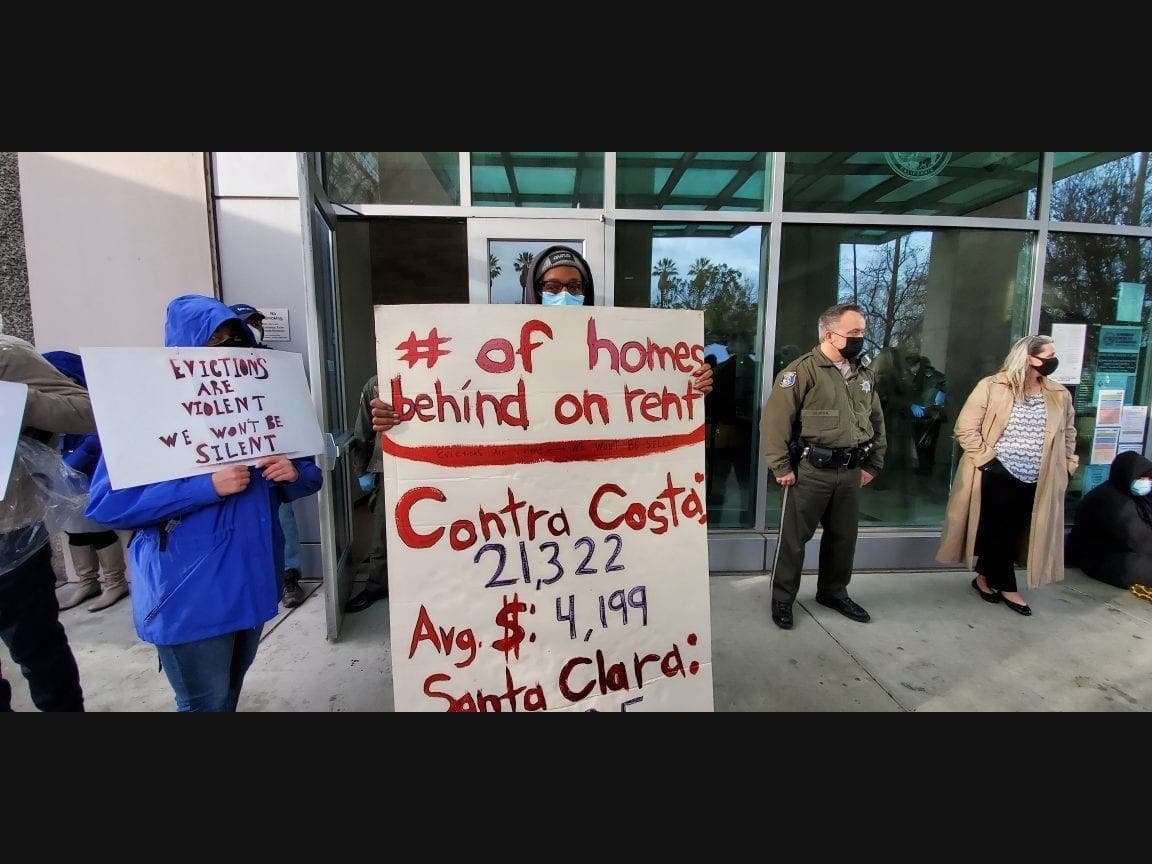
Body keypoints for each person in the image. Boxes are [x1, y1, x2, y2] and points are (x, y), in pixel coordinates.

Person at [86, 295, 323, 711]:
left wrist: (295, 473)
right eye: (215, 339)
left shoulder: (259, 406)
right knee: (204, 703)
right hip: (188, 593)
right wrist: (205, 487)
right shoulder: (142, 414)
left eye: (234, 337)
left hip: (252, 583)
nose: (227, 347)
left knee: (228, 694)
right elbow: (108, 503)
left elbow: (308, 478)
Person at [371, 244, 715, 431]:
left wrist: (688, 384)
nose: (564, 294)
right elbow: (447, 393)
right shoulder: (493, 348)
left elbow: (648, 396)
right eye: (551, 287)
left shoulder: (617, 354)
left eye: (575, 287)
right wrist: (397, 409)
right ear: (534, 291)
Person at [761, 302, 886, 630]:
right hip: (809, 472)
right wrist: (780, 467)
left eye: (862, 331)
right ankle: (783, 598)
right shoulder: (801, 372)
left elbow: (876, 420)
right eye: (854, 332)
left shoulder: (863, 373)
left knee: (844, 537)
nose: (861, 338)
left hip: (850, 472)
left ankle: (833, 591)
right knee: (794, 540)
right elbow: (775, 423)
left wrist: (874, 463)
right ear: (830, 335)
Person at [936, 335, 1077, 617]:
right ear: (1028, 357)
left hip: (1040, 476)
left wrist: (1067, 465)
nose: (1052, 360)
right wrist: (989, 462)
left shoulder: (1058, 394)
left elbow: (1068, 434)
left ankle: (984, 577)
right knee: (1000, 530)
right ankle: (1008, 585)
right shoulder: (992, 387)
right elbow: (966, 428)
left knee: (1014, 531)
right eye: (1047, 355)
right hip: (999, 472)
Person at [1, 331, 93, 711]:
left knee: (37, 650)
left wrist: (16, 399)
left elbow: (85, 411)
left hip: (10, 537)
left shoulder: (8, 354)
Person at [41, 350, 129, 613]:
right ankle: (87, 581)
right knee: (74, 532)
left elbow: (97, 439)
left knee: (98, 529)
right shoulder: (50, 401)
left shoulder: (93, 400)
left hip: (88, 476)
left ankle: (114, 582)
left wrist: (71, 463)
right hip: (62, 479)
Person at [230, 302, 305, 609]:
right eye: (246, 323)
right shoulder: (198, 369)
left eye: (256, 322)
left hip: (269, 458)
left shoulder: (272, 363)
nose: (253, 328)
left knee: (281, 518)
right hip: (224, 460)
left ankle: (289, 578)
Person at [1066, 450, 1152, 590]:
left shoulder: (1131, 494)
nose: (1146, 483)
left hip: (1123, 551)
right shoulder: (1110, 500)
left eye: (1148, 478)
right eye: (1141, 478)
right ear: (1128, 476)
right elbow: (1139, 539)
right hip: (1098, 557)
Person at [343, 374, 390, 613]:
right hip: (389, 468)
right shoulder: (376, 383)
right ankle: (377, 585)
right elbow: (363, 432)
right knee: (383, 532)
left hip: (434, 467)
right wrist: (362, 470)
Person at [904, 348, 947, 475]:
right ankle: (925, 468)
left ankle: (925, 469)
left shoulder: (923, 377)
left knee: (924, 443)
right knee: (925, 444)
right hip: (928, 415)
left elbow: (942, 394)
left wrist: (913, 405)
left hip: (928, 415)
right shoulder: (935, 376)